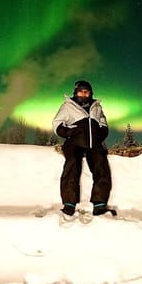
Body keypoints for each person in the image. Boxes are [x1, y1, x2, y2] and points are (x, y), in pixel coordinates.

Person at [52, 80, 116, 217]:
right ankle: (69, 204)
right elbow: (57, 123)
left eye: (86, 92)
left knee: (101, 166)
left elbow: (103, 122)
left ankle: (99, 204)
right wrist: (69, 132)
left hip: (94, 143)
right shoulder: (68, 106)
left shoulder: (96, 106)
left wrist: (101, 133)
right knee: (72, 166)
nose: (84, 94)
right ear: (75, 93)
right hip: (74, 142)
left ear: (90, 94)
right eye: (81, 92)